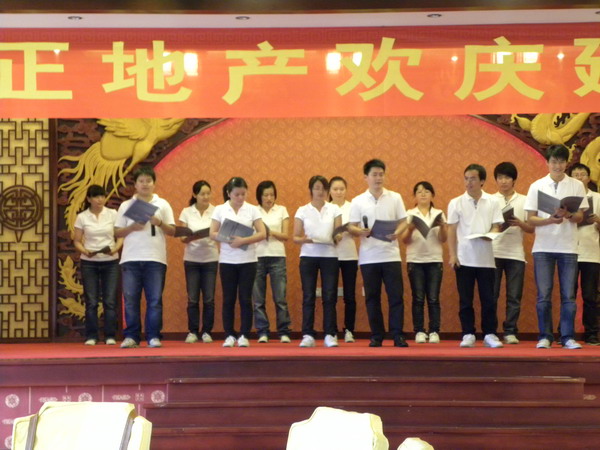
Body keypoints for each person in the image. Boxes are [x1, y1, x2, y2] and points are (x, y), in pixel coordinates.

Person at [524, 145, 588, 350]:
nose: (557, 166)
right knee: (544, 295)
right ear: (547, 162)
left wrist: (568, 214)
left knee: (568, 296)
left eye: (561, 162)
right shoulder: (537, 186)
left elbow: (580, 216)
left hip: (568, 247)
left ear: (566, 163)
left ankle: (567, 337)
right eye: (554, 161)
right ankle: (545, 336)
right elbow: (530, 218)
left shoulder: (576, 185)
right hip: (543, 247)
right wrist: (550, 220)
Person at [348, 159, 409, 348]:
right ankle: (376, 336)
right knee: (372, 298)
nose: (378, 178)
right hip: (369, 257)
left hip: (391, 255)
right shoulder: (358, 200)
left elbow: (404, 221)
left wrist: (397, 233)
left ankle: (397, 335)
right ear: (365, 177)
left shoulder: (395, 197)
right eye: (374, 174)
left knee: (396, 297)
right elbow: (351, 227)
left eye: (381, 174)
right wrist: (360, 231)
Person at [115, 166, 176, 348]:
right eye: (141, 181)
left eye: (148, 181)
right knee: (130, 300)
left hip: (155, 258)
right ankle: (131, 336)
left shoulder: (162, 204)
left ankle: (153, 336)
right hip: (130, 258)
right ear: (135, 184)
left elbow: (173, 231)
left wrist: (160, 222)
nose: (145, 184)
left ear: (154, 183)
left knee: (155, 300)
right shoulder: (126, 205)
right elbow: (116, 232)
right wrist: (132, 227)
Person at [447, 164, 504, 348]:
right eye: (466, 178)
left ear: (482, 181)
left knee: (489, 300)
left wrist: (491, 234)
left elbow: (497, 225)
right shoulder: (456, 202)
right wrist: (452, 255)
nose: (469, 182)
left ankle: (490, 334)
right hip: (464, 258)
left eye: (473, 178)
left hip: (486, 258)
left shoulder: (493, 201)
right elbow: (451, 230)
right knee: (466, 300)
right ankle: (468, 333)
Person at [210, 177, 267, 348]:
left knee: (245, 298)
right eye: (236, 194)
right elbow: (212, 233)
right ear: (229, 193)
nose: (240, 197)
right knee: (228, 299)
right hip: (227, 260)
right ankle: (229, 334)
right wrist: (228, 239)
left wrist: (244, 240)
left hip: (248, 260)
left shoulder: (252, 210)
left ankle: (244, 334)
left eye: (243, 194)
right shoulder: (220, 209)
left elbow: (262, 233)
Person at [294, 175, 343, 348]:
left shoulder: (334, 209)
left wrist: (337, 236)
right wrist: (304, 240)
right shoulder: (302, 210)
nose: (320, 191)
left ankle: (330, 333)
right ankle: (308, 334)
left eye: (323, 188)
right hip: (308, 256)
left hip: (330, 255)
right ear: (311, 190)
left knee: (329, 296)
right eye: (316, 188)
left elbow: (338, 232)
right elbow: (295, 237)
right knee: (308, 296)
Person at [73, 185, 123, 346]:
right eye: (96, 196)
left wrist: (115, 248)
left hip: (111, 261)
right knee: (92, 301)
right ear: (89, 199)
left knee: (110, 301)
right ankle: (91, 336)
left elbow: (120, 236)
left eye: (102, 196)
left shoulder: (113, 214)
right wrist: (85, 251)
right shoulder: (82, 217)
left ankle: (110, 335)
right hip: (89, 262)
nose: (100, 199)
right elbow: (77, 241)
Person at [491, 162, 534, 345]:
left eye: (507, 177)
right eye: (500, 177)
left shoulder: (524, 200)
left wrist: (520, 223)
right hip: (493, 252)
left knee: (514, 296)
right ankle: (491, 331)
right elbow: (482, 227)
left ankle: (510, 331)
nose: (503, 181)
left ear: (514, 180)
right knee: (491, 295)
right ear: (495, 180)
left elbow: (531, 228)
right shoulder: (489, 200)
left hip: (515, 253)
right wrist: (496, 227)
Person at [401, 181, 447, 344]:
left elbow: (443, 239)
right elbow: (405, 240)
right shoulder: (409, 214)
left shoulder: (439, 213)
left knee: (433, 298)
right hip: (415, 260)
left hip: (434, 259)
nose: (423, 194)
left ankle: (434, 330)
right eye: (419, 191)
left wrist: (442, 227)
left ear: (432, 195)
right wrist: (411, 228)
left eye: (427, 191)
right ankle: (419, 330)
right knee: (418, 298)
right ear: (414, 195)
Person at [179, 180, 219, 344]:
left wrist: (212, 234)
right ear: (194, 195)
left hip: (210, 258)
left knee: (209, 298)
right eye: (202, 194)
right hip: (192, 259)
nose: (206, 197)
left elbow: (221, 234)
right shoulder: (186, 212)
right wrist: (193, 236)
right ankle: (193, 331)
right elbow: (182, 237)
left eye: (208, 193)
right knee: (193, 298)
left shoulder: (216, 211)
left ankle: (207, 331)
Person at [252, 180, 292, 344]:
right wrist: (262, 234)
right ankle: (263, 331)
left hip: (277, 256)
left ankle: (283, 331)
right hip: (257, 257)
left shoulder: (282, 210)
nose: (269, 198)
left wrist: (269, 232)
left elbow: (285, 236)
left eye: (271, 195)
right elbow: (250, 234)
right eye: (265, 195)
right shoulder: (253, 211)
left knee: (280, 298)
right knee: (258, 299)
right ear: (259, 196)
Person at [568, 163, 600, 345]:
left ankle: (591, 334)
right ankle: (566, 332)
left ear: (589, 178)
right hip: (569, 251)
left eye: (582, 174)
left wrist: (598, 221)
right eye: (576, 175)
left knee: (590, 296)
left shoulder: (598, 198)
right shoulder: (567, 199)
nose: (579, 178)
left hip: (591, 252)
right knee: (568, 295)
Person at [329, 176, 358, 343]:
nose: (339, 192)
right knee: (330, 295)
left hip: (349, 255)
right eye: (335, 189)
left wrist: (349, 230)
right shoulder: (326, 208)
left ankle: (349, 330)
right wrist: (333, 234)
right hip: (330, 256)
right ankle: (331, 330)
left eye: (342, 189)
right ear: (330, 191)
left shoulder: (353, 207)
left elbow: (358, 230)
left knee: (350, 295)